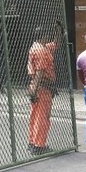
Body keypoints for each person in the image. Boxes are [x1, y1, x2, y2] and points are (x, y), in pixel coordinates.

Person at [26, 25, 60, 155]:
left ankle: (32, 142)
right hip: (42, 87)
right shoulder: (40, 50)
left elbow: (55, 45)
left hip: (37, 85)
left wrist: (58, 33)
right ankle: (39, 145)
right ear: (44, 36)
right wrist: (34, 89)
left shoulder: (38, 47)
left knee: (34, 115)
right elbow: (40, 72)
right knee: (42, 117)